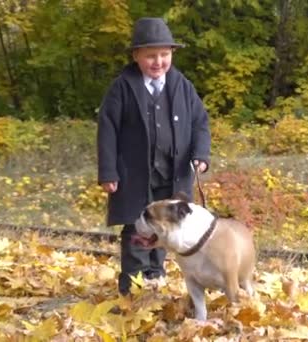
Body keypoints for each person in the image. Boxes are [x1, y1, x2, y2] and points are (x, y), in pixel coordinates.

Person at [97, 17, 211, 295]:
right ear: (136, 56)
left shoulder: (182, 85)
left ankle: (155, 277)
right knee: (137, 224)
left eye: (164, 54)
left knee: (165, 225)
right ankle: (133, 284)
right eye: (151, 56)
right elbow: (107, 130)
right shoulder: (122, 87)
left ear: (172, 54)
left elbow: (200, 122)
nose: (158, 61)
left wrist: (200, 154)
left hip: (172, 172)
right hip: (133, 173)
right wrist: (108, 171)